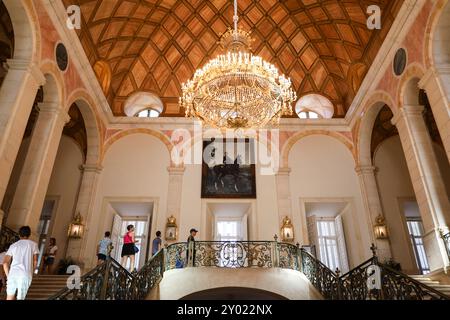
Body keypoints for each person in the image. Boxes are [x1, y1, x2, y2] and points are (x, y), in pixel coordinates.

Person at [2, 226, 39, 300]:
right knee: (21, 298)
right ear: (29, 234)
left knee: (9, 297)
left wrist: (8, 276)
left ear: (19, 234)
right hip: (25, 274)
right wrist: (32, 272)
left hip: (13, 274)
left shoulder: (13, 245)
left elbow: (5, 263)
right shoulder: (33, 244)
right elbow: (35, 261)